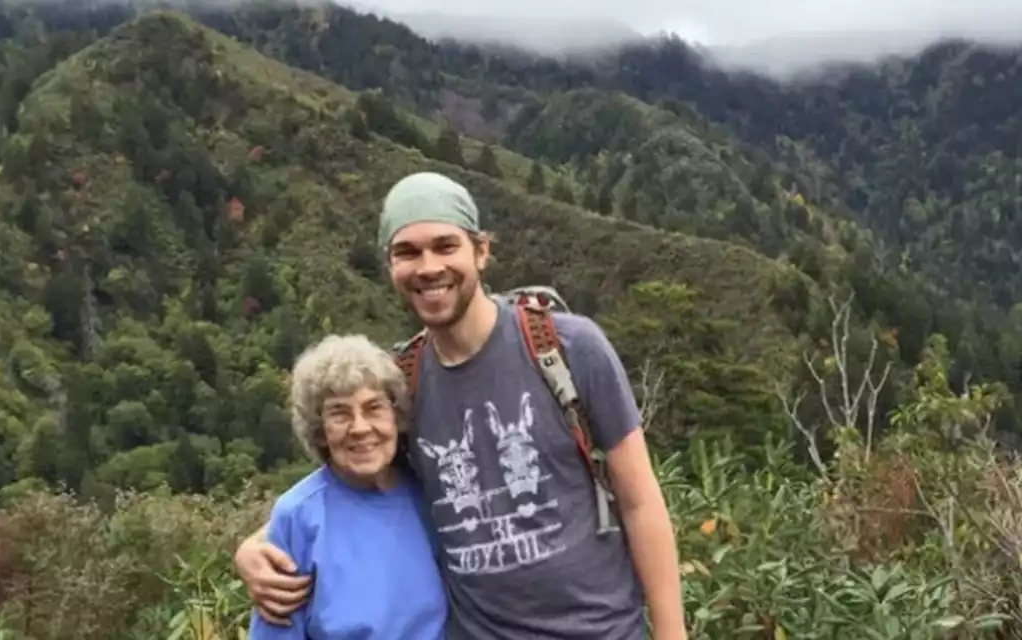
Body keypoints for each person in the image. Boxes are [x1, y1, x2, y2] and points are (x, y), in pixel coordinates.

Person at [235, 171, 687, 640]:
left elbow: (640, 502)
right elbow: (357, 476)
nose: (428, 267)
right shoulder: (401, 385)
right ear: (390, 266)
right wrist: (259, 544)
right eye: (407, 252)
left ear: (482, 251)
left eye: (445, 246)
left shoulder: (568, 348)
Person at [246, 334, 448, 640]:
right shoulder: (298, 517)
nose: (360, 428)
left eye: (373, 408)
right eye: (339, 413)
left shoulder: (430, 492)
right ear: (320, 430)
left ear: (396, 416)